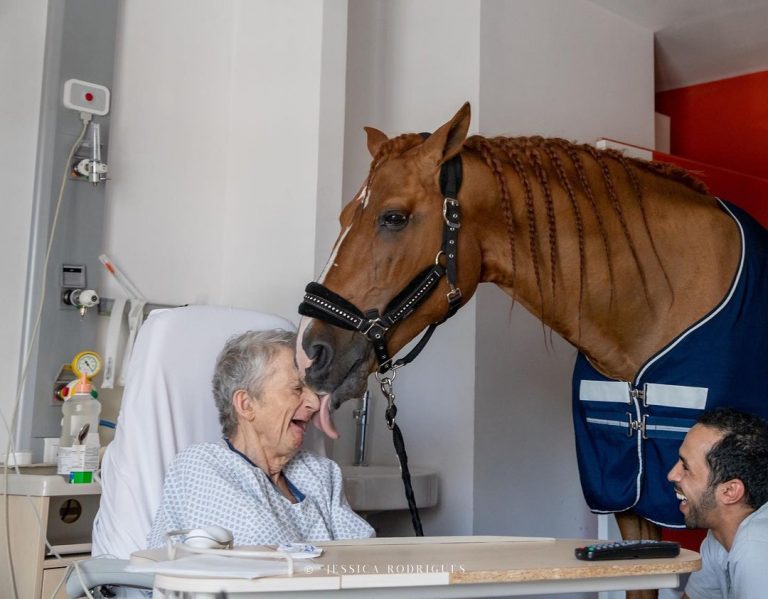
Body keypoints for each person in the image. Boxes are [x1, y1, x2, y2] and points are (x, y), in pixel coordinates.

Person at [147, 329, 374, 547]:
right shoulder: (202, 465)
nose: (314, 403)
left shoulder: (321, 473)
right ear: (246, 405)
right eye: (297, 388)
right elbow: (261, 555)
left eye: (314, 391)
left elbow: (362, 554)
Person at [667, 407, 768, 599]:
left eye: (686, 467)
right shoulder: (719, 540)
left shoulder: (757, 547)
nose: (672, 475)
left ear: (730, 491)